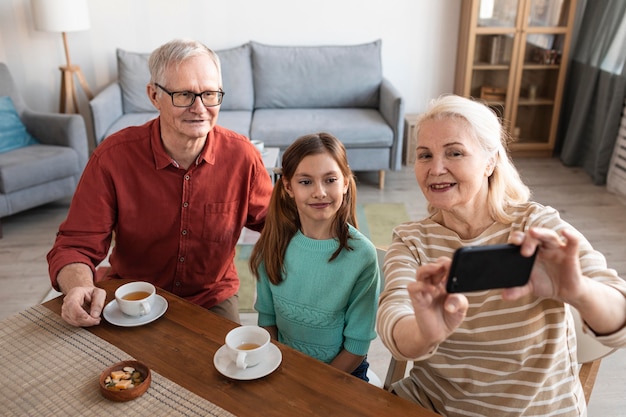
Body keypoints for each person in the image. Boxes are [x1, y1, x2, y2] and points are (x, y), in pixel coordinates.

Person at [377, 94, 626, 416]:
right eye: (425, 155)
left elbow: (620, 316)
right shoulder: (411, 240)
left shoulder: (537, 225)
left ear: (490, 161)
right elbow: (392, 322)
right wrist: (425, 332)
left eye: (455, 152)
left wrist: (577, 290)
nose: (436, 168)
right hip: (434, 405)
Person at [47, 39, 273, 326]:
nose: (200, 108)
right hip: (132, 296)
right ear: (154, 96)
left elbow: (278, 224)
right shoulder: (112, 158)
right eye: (184, 95)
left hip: (210, 297)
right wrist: (78, 286)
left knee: (219, 368)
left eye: (210, 94)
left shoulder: (243, 157)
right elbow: (75, 244)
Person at [250, 132, 380, 381]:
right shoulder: (273, 243)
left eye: (330, 179)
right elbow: (267, 321)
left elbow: (356, 346)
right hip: (283, 367)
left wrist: (313, 385)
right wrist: (284, 375)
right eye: (306, 182)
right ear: (288, 186)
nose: (320, 192)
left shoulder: (362, 256)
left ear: (344, 182)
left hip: (343, 374)